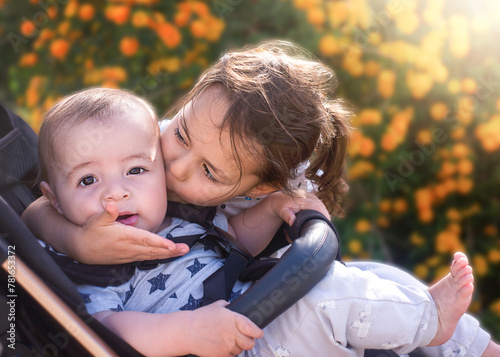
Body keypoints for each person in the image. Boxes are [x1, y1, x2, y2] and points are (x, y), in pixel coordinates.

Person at [23, 42, 499, 356]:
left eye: (209, 172)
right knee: (329, 298)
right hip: (228, 343)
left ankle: (472, 348)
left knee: (373, 279)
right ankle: (430, 321)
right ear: (184, 107)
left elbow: (229, 244)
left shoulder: (185, 195)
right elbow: (101, 325)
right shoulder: (140, 152)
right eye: (182, 133)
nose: (176, 167)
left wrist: (273, 213)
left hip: (246, 310)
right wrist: (79, 241)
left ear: (256, 189)